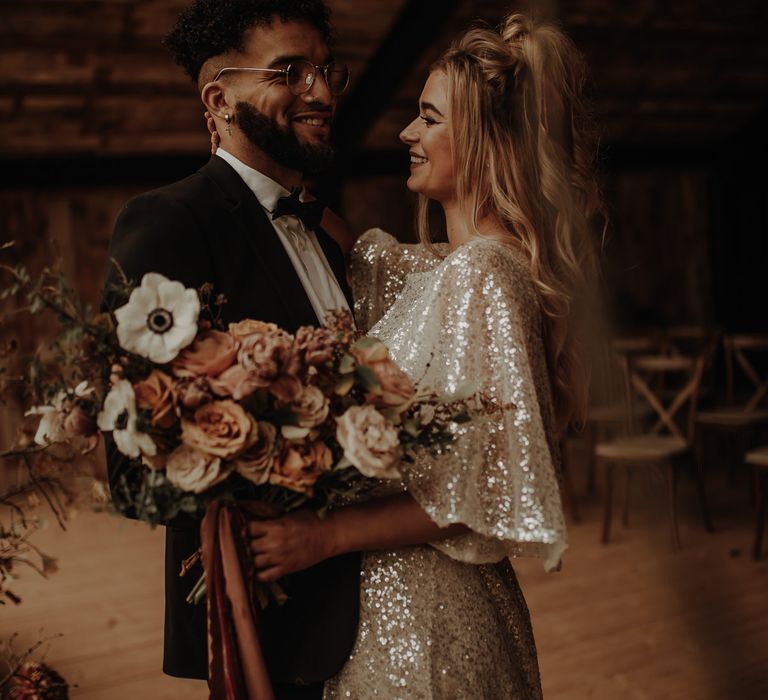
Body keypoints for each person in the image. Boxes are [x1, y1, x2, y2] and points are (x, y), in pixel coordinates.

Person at [246, 12, 603, 699]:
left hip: (429, 620)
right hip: (401, 606)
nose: (408, 133)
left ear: (485, 139)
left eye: (430, 118)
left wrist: (319, 538)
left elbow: (484, 491)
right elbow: (355, 250)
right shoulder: (443, 271)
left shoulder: (486, 276)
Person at [102, 1, 360, 697]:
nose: (324, 92)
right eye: (291, 72)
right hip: (267, 620)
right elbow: (132, 465)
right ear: (219, 99)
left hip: (376, 608)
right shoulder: (173, 221)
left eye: (326, 70)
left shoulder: (326, 231)